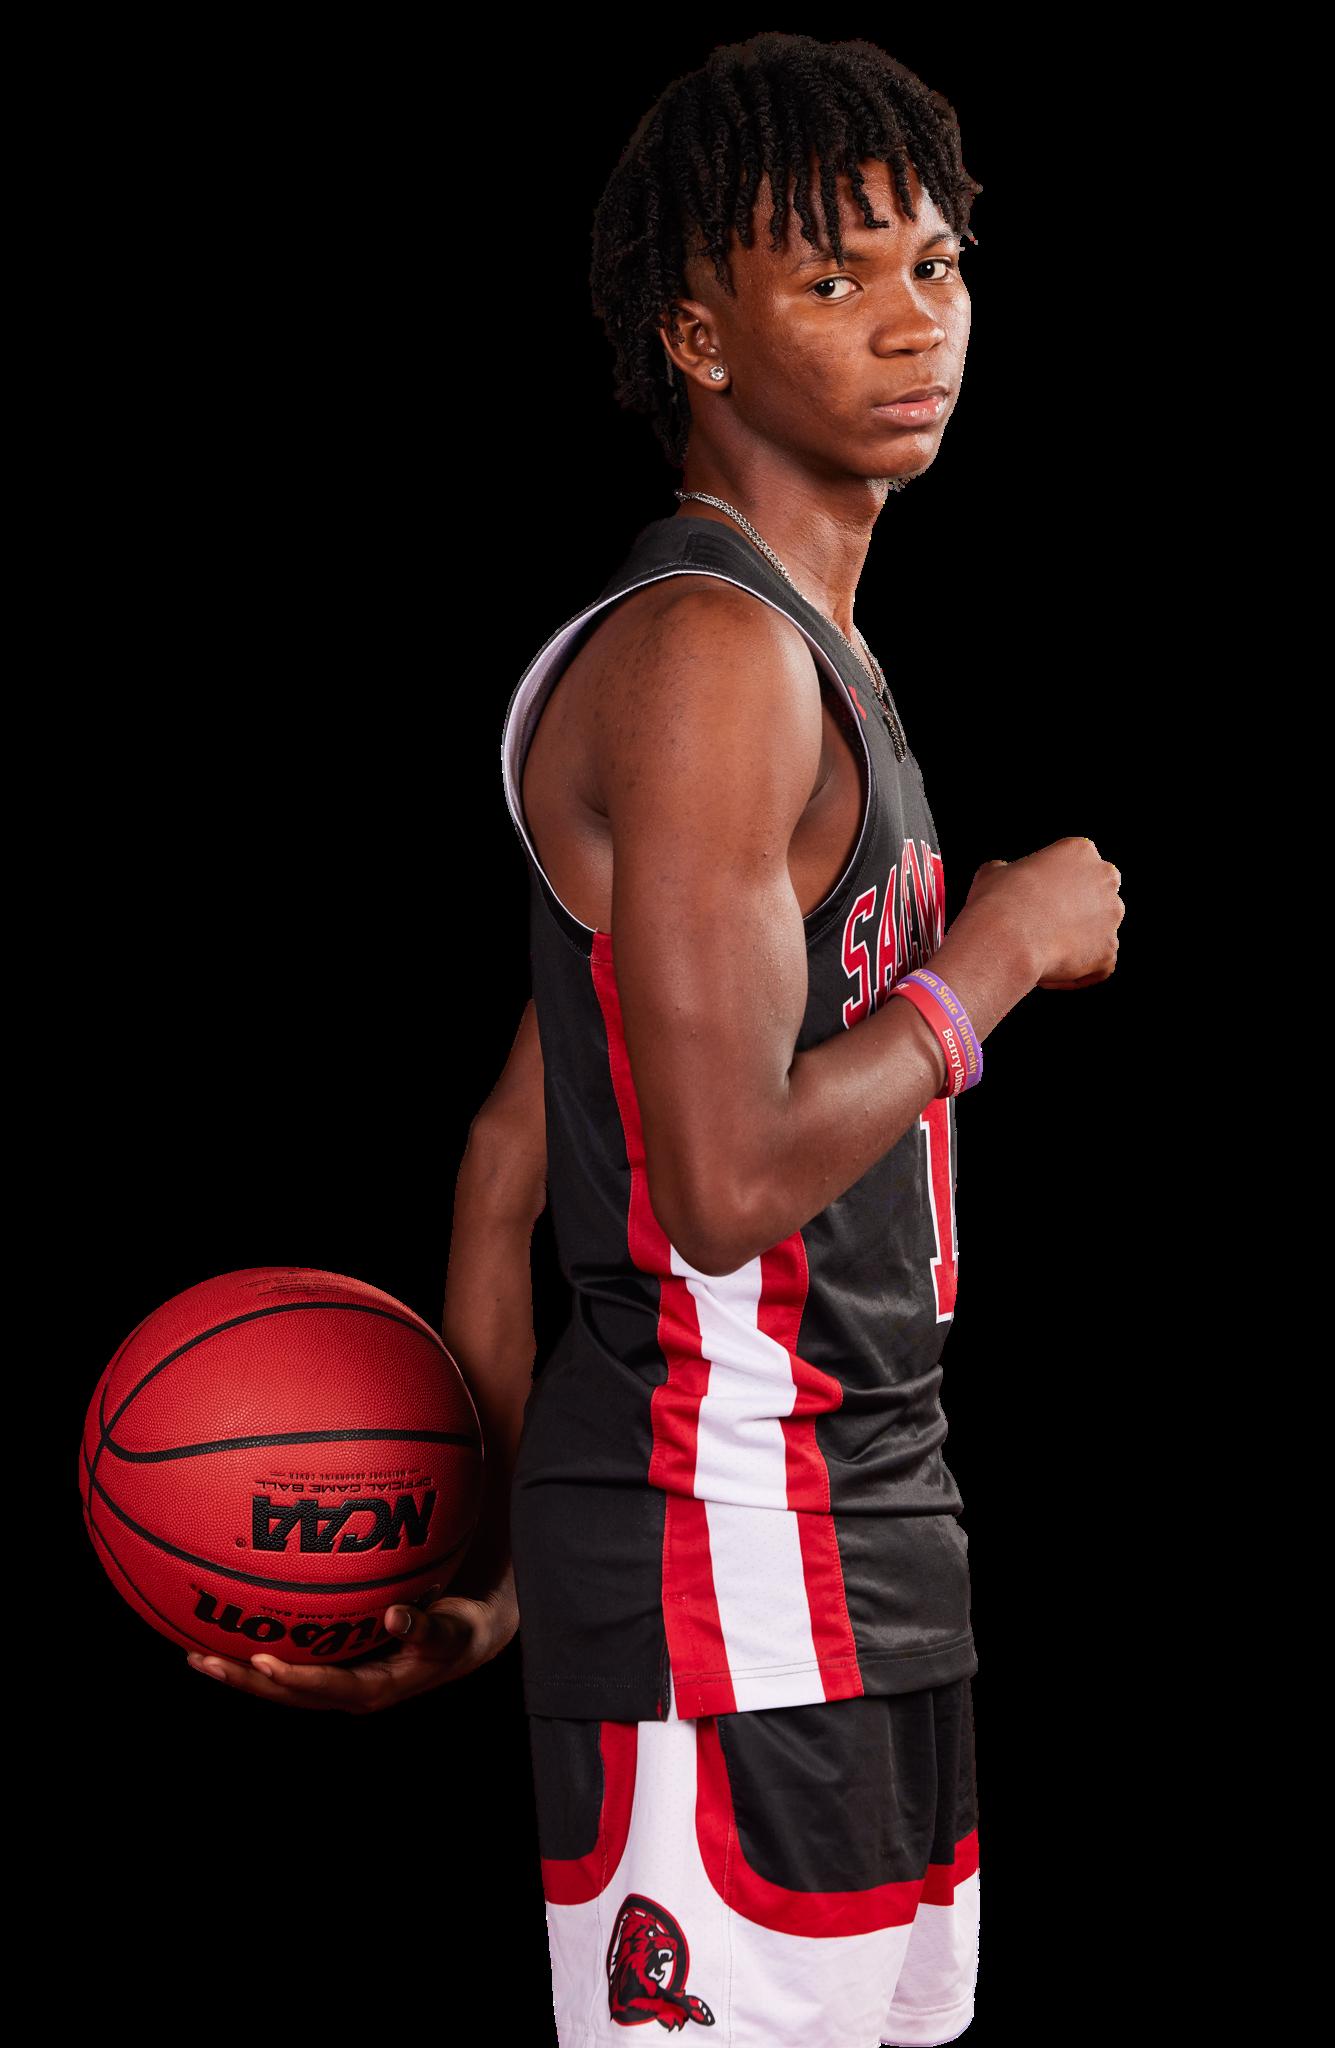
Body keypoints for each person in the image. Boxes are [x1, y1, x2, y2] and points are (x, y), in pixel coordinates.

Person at [188, 31, 1124, 2046]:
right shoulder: (707, 655)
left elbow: (515, 1155)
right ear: (697, 335)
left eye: (936, 266)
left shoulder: (811, 649)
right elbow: (717, 1188)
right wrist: (995, 959)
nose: (913, 322)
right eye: (834, 278)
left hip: (865, 1558)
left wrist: (497, 1552)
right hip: (731, 1586)